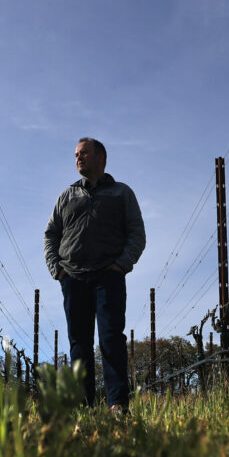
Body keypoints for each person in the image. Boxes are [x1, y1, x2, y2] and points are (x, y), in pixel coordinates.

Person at [43, 137, 145, 413]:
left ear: (101, 158)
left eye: (84, 153)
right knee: (79, 343)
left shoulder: (122, 193)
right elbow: (51, 235)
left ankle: (117, 406)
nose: (78, 158)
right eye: (76, 154)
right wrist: (58, 269)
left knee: (111, 338)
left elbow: (137, 233)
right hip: (72, 277)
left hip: (108, 276)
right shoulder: (67, 195)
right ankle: (83, 407)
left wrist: (121, 264)